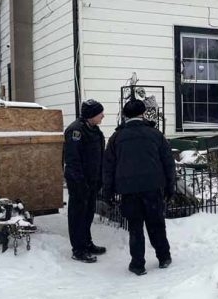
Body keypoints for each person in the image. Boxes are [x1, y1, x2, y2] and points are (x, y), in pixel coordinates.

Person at [103, 99, 175, 276]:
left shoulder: (116, 138)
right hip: (152, 187)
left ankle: (137, 264)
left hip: (128, 189)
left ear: (125, 115)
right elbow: (168, 162)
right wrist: (169, 186)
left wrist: (108, 191)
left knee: (135, 227)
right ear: (143, 114)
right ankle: (163, 257)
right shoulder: (155, 134)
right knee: (156, 223)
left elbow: (108, 166)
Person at [64, 99, 107, 263]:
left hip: (92, 181)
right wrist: (80, 182)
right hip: (79, 182)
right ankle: (78, 249)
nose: (103, 116)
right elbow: (73, 161)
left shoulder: (95, 130)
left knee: (88, 214)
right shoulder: (76, 131)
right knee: (77, 216)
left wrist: (99, 178)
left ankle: (87, 243)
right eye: (100, 113)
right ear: (91, 115)